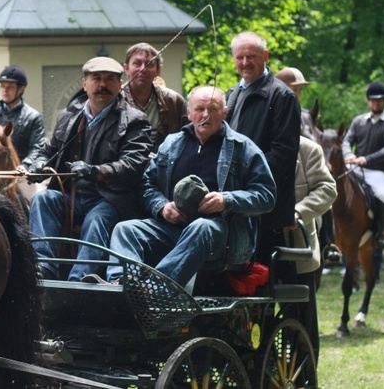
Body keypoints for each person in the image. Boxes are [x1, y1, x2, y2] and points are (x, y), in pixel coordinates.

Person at [99, 86, 276, 289]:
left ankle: (154, 291)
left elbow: (267, 195)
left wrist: (226, 200)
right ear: (189, 113)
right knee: (125, 229)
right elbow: (147, 185)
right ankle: (122, 283)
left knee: (201, 227)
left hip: (220, 234)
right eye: (199, 109)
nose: (206, 115)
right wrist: (162, 207)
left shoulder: (244, 148)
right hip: (172, 230)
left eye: (213, 109)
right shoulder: (171, 144)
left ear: (225, 112)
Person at [27, 56, 152, 281]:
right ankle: (43, 269)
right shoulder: (68, 116)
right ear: (84, 83)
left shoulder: (135, 120)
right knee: (42, 199)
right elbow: (49, 150)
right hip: (69, 196)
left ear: (120, 84)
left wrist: (97, 171)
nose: (103, 85)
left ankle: (81, 279)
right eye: (96, 78)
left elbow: (133, 164)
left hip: (109, 199)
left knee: (97, 218)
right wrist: (39, 163)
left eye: (110, 79)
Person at [226, 31, 301, 268]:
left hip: (266, 207)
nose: (245, 62)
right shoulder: (231, 94)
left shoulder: (282, 96)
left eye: (252, 56)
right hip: (235, 203)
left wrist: (246, 179)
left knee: (262, 281)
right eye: (240, 57)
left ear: (265, 56)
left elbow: (284, 154)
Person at [276, 66, 339, 264]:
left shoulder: (305, 115)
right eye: (294, 89)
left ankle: (329, 243)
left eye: (298, 90)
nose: (297, 94)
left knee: (324, 205)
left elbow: (315, 141)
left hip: (309, 164)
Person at [284, 135, 337, 361]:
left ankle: (333, 243)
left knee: (382, 194)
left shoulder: (309, 148)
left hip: (298, 245)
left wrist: (300, 211)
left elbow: (328, 189)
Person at [342, 81, 384, 249]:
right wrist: (348, 154)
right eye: (373, 100)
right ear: (368, 101)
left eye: (380, 100)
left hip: (376, 171)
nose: (376, 103)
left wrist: (366, 159)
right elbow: (347, 140)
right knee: (332, 183)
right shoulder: (358, 121)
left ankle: (379, 234)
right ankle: (328, 233)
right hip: (354, 167)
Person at [121, 42, 188, 151]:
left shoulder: (173, 101)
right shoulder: (115, 100)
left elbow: (188, 137)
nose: (143, 69)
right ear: (126, 68)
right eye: (137, 63)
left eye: (149, 64)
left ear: (158, 70)